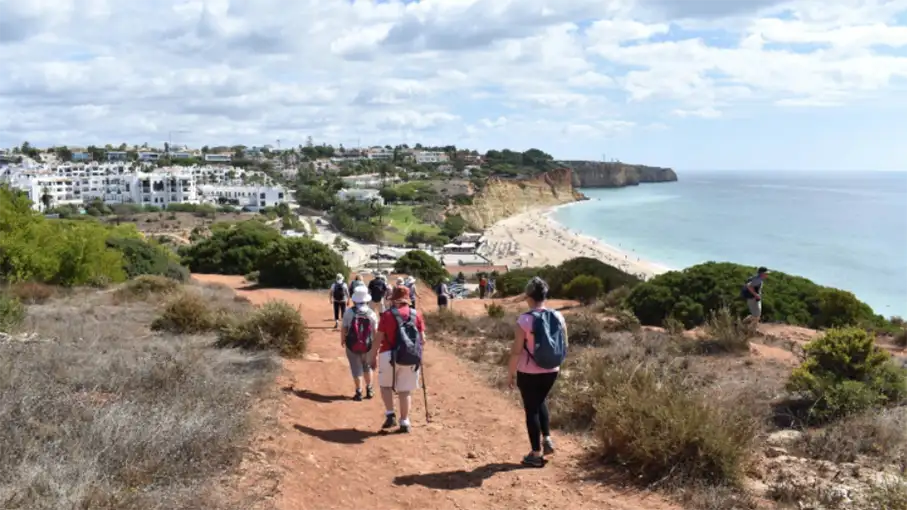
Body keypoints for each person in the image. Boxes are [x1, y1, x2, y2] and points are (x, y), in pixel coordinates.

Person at [507, 276, 568, 468]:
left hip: (528, 371)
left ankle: (535, 453)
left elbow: (516, 351)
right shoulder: (558, 316)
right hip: (552, 369)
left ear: (528, 296)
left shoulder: (524, 320)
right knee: (541, 401)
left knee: (531, 408)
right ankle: (547, 438)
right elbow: (565, 343)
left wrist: (510, 373)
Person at [369, 285, 426, 434]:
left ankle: (390, 414)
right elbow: (422, 340)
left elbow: (378, 338)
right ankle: (405, 421)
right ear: (407, 300)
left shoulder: (387, 315)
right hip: (409, 356)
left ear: (394, 299)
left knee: (385, 386)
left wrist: (373, 356)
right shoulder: (416, 315)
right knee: (405, 390)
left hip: (388, 354)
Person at [341, 287, 377, 401]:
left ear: (355, 299)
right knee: (367, 367)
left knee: (356, 368)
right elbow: (375, 331)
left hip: (352, 344)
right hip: (368, 345)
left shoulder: (349, 312)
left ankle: (358, 392)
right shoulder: (371, 313)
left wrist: (342, 340)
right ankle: (369, 389)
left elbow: (344, 328)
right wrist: (375, 346)